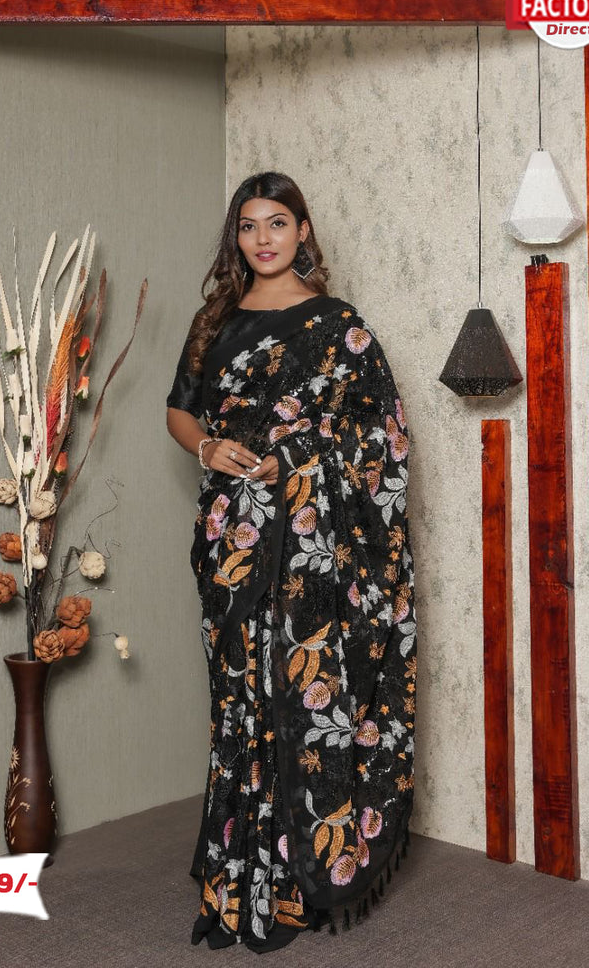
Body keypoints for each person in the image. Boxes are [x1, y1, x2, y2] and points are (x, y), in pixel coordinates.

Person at [166, 171, 417, 953]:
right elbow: (179, 410)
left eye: (277, 222)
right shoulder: (216, 319)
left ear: (303, 230)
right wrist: (209, 447)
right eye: (248, 226)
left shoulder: (338, 326)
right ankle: (238, 871)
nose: (263, 239)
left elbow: (382, 433)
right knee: (238, 695)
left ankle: (301, 877)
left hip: (309, 545)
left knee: (299, 692)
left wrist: (301, 452)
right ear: (236, 237)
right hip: (230, 536)